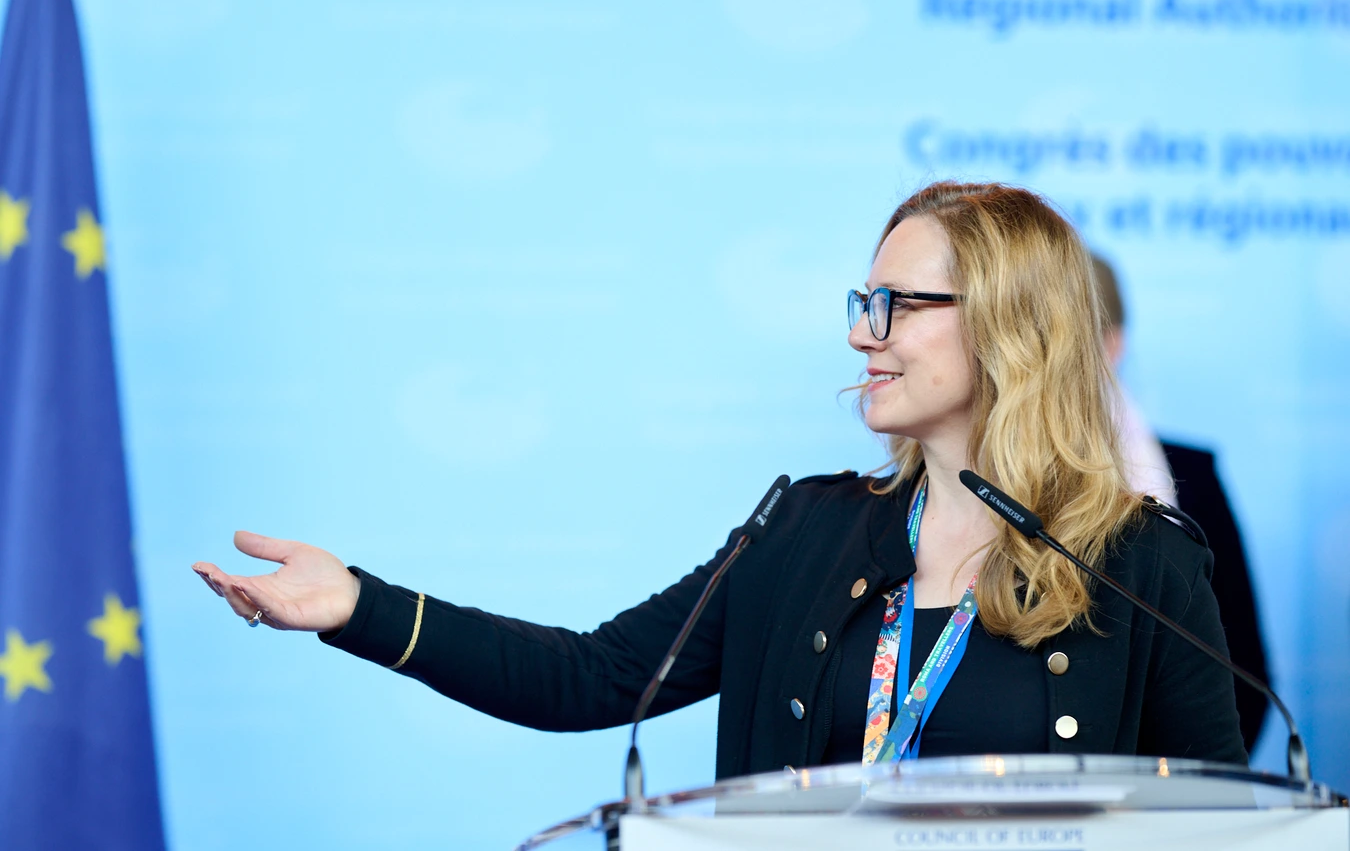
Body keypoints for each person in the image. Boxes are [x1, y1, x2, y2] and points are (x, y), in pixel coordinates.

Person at [192, 181, 1246, 777]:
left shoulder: (1141, 564)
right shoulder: (803, 532)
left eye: (895, 306)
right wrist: (359, 605)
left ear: (1008, 325)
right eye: (861, 303)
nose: (862, 334)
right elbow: (591, 677)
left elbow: (1217, 822)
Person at [1091, 254, 1270, 753]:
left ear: (1113, 344)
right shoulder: (977, 481)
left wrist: (1188, 786)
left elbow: (1245, 671)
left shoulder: (1193, 474)